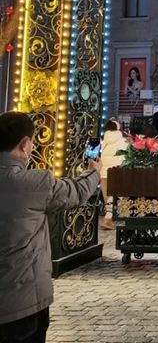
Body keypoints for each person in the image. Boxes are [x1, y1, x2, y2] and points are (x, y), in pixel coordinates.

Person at [0, 111, 101, 342]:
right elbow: (76, 192)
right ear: (25, 145)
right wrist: (94, 172)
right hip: (22, 301)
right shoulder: (34, 183)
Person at [100, 118, 128, 230]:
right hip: (117, 172)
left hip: (104, 172)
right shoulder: (123, 141)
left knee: (108, 197)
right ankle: (111, 219)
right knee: (118, 196)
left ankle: (110, 218)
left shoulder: (105, 141)